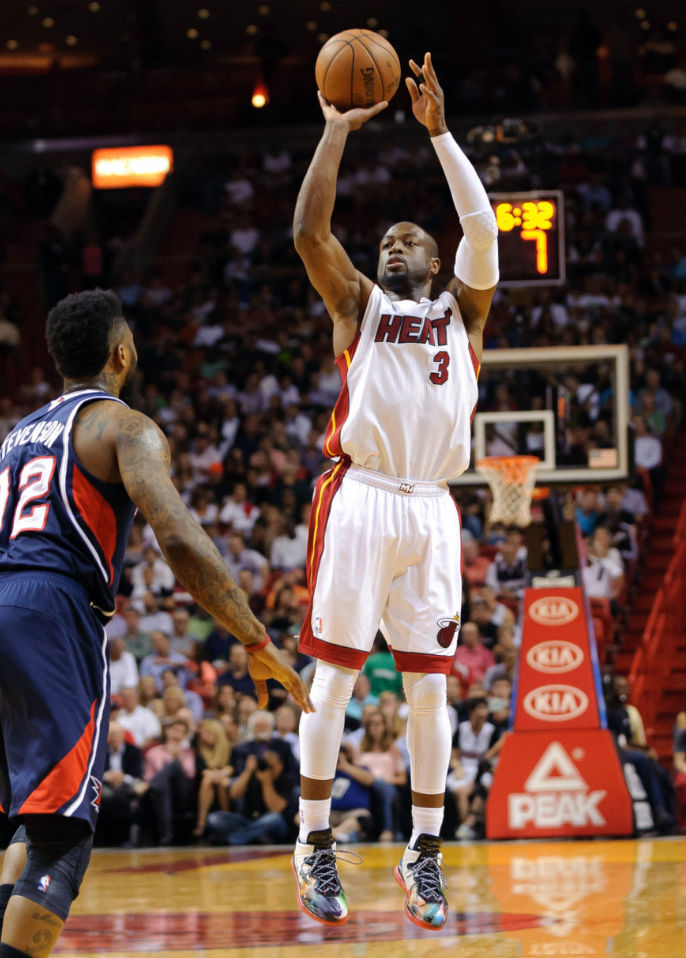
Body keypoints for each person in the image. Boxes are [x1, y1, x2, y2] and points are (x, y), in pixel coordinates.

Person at [0, 288, 312, 957]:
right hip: (50, 613)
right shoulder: (124, 426)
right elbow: (179, 536)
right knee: (63, 836)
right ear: (122, 352)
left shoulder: (15, 436)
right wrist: (255, 638)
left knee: (21, 825)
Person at [291, 51, 498, 930]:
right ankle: (312, 842)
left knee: (428, 690)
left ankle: (423, 850)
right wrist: (335, 131)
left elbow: (483, 229)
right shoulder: (360, 308)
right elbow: (310, 232)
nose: (394, 244)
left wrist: (440, 133)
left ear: (438, 257)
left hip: (432, 508)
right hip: (364, 494)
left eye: (411, 238)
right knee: (333, 678)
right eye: (388, 241)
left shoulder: (466, 312)